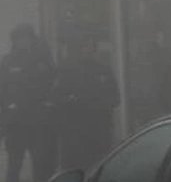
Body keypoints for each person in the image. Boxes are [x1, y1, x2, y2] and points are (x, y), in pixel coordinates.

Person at [0, 24, 56, 182]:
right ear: (14, 40)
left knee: (40, 168)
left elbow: (52, 85)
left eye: (27, 38)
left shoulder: (42, 61)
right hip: (15, 126)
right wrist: (6, 114)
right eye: (20, 38)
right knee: (14, 168)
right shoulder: (7, 62)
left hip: (38, 125)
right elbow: (0, 91)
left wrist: (46, 108)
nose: (24, 41)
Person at [51, 38, 120, 172]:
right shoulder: (67, 71)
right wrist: (73, 101)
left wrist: (99, 105)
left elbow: (115, 98)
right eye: (84, 46)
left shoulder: (104, 71)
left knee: (99, 167)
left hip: (99, 130)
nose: (87, 50)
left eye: (91, 47)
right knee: (73, 169)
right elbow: (56, 97)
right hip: (74, 132)